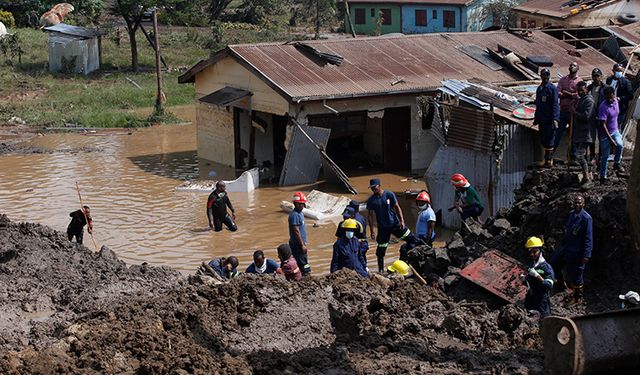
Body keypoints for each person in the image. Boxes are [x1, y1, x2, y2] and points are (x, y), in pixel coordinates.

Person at [367, 178, 419, 273]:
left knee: (412, 239)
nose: (373, 189)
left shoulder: (389, 194)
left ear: (379, 185)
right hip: (383, 229)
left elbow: (397, 207)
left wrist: (402, 221)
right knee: (380, 251)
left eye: (374, 187)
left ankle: (421, 255)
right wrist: (372, 231)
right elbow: (370, 216)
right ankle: (381, 270)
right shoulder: (371, 200)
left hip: (395, 225)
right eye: (371, 188)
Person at [550, 195, 593, 305]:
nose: (577, 205)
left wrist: (586, 255)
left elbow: (588, 238)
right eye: (576, 202)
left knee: (577, 274)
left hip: (577, 252)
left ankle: (578, 297)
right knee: (555, 262)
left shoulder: (586, 218)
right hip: (567, 248)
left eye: (579, 203)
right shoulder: (571, 214)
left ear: (583, 204)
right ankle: (561, 283)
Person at [597, 85, 625, 183]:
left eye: (611, 96)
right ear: (605, 97)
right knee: (605, 156)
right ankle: (602, 176)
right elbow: (603, 124)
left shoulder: (616, 101)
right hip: (605, 134)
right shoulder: (603, 107)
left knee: (620, 145)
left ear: (614, 95)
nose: (610, 99)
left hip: (615, 130)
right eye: (608, 97)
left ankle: (617, 163)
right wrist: (610, 139)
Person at [555, 62, 582, 160]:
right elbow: (558, 92)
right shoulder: (563, 80)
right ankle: (551, 154)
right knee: (558, 132)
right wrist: (570, 94)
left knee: (573, 134)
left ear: (578, 68)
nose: (572, 67)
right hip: (562, 110)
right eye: (570, 65)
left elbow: (579, 95)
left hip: (573, 112)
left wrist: (567, 94)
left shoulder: (579, 81)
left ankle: (573, 156)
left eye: (574, 65)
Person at [533, 68, 560, 167]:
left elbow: (555, 105)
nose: (545, 77)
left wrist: (555, 119)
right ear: (541, 76)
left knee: (549, 140)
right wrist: (536, 119)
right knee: (543, 139)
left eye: (547, 75)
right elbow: (538, 105)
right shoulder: (539, 89)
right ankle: (545, 159)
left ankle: (549, 160)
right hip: (542, 119)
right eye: (544, 75)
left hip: (549, 119)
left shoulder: (552, 88)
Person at [523, 236, 555, 319]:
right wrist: (524, 278)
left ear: (540, 251)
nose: (532, 254)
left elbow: (549, 285)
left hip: (541, 299)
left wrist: (537, 276)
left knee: (545, 320)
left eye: (535, 251)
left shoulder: (546, 267)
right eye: (530, 252)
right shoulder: (532, 264)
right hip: (531, 297)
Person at [399, 191, 436, 260]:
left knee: (405, 248)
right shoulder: (423, 211)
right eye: (419, 202)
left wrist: (426, 245)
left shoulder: (430, 213)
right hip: (420, 238)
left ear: (427, 202)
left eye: (422, 202)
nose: (420, 203)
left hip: (424, 239)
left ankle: (403, 264)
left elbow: (430, 229)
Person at [573, 81, 596, 184]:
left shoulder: (589, 101)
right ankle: (585, 177)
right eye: (578, 90)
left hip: (586, 133)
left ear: (586, 89)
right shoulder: (581, 100)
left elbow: (586, 116)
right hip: (579, 132)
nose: (580, 92)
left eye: (582, 90)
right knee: (583, 157)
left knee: (580, 156)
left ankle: (587, 178)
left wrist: (574, 112)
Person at [288, 192, 311, 276]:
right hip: (297, 244)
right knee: (303, 262)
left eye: (302, 204)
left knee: (303, 261)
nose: (301, 206)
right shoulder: (294, 215)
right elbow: (296, 231)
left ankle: (303, 274)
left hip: (300, 243)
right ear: (295, 204)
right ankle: (305, 275)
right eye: (299, 204)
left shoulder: (300, 214)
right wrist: (302, 245)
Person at [605, 63, 634, 129]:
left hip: (620, 109)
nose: (619, 72)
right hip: (609, 107)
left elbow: (630, 95)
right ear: (613, 71)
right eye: (617, 71)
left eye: (621, 71)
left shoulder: (626, 82)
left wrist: (620, 98)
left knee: (617, 127)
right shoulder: (609, 80)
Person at [587, 68, 605, 166]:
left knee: (601, 136)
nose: (595, 78)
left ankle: (601, 156)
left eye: (597, 76)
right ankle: (592, 156)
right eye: (594, 76)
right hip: (592, 115)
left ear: (601, 77)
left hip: (601, 115)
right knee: (592, 137)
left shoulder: (605, 88)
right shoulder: (589, 87)